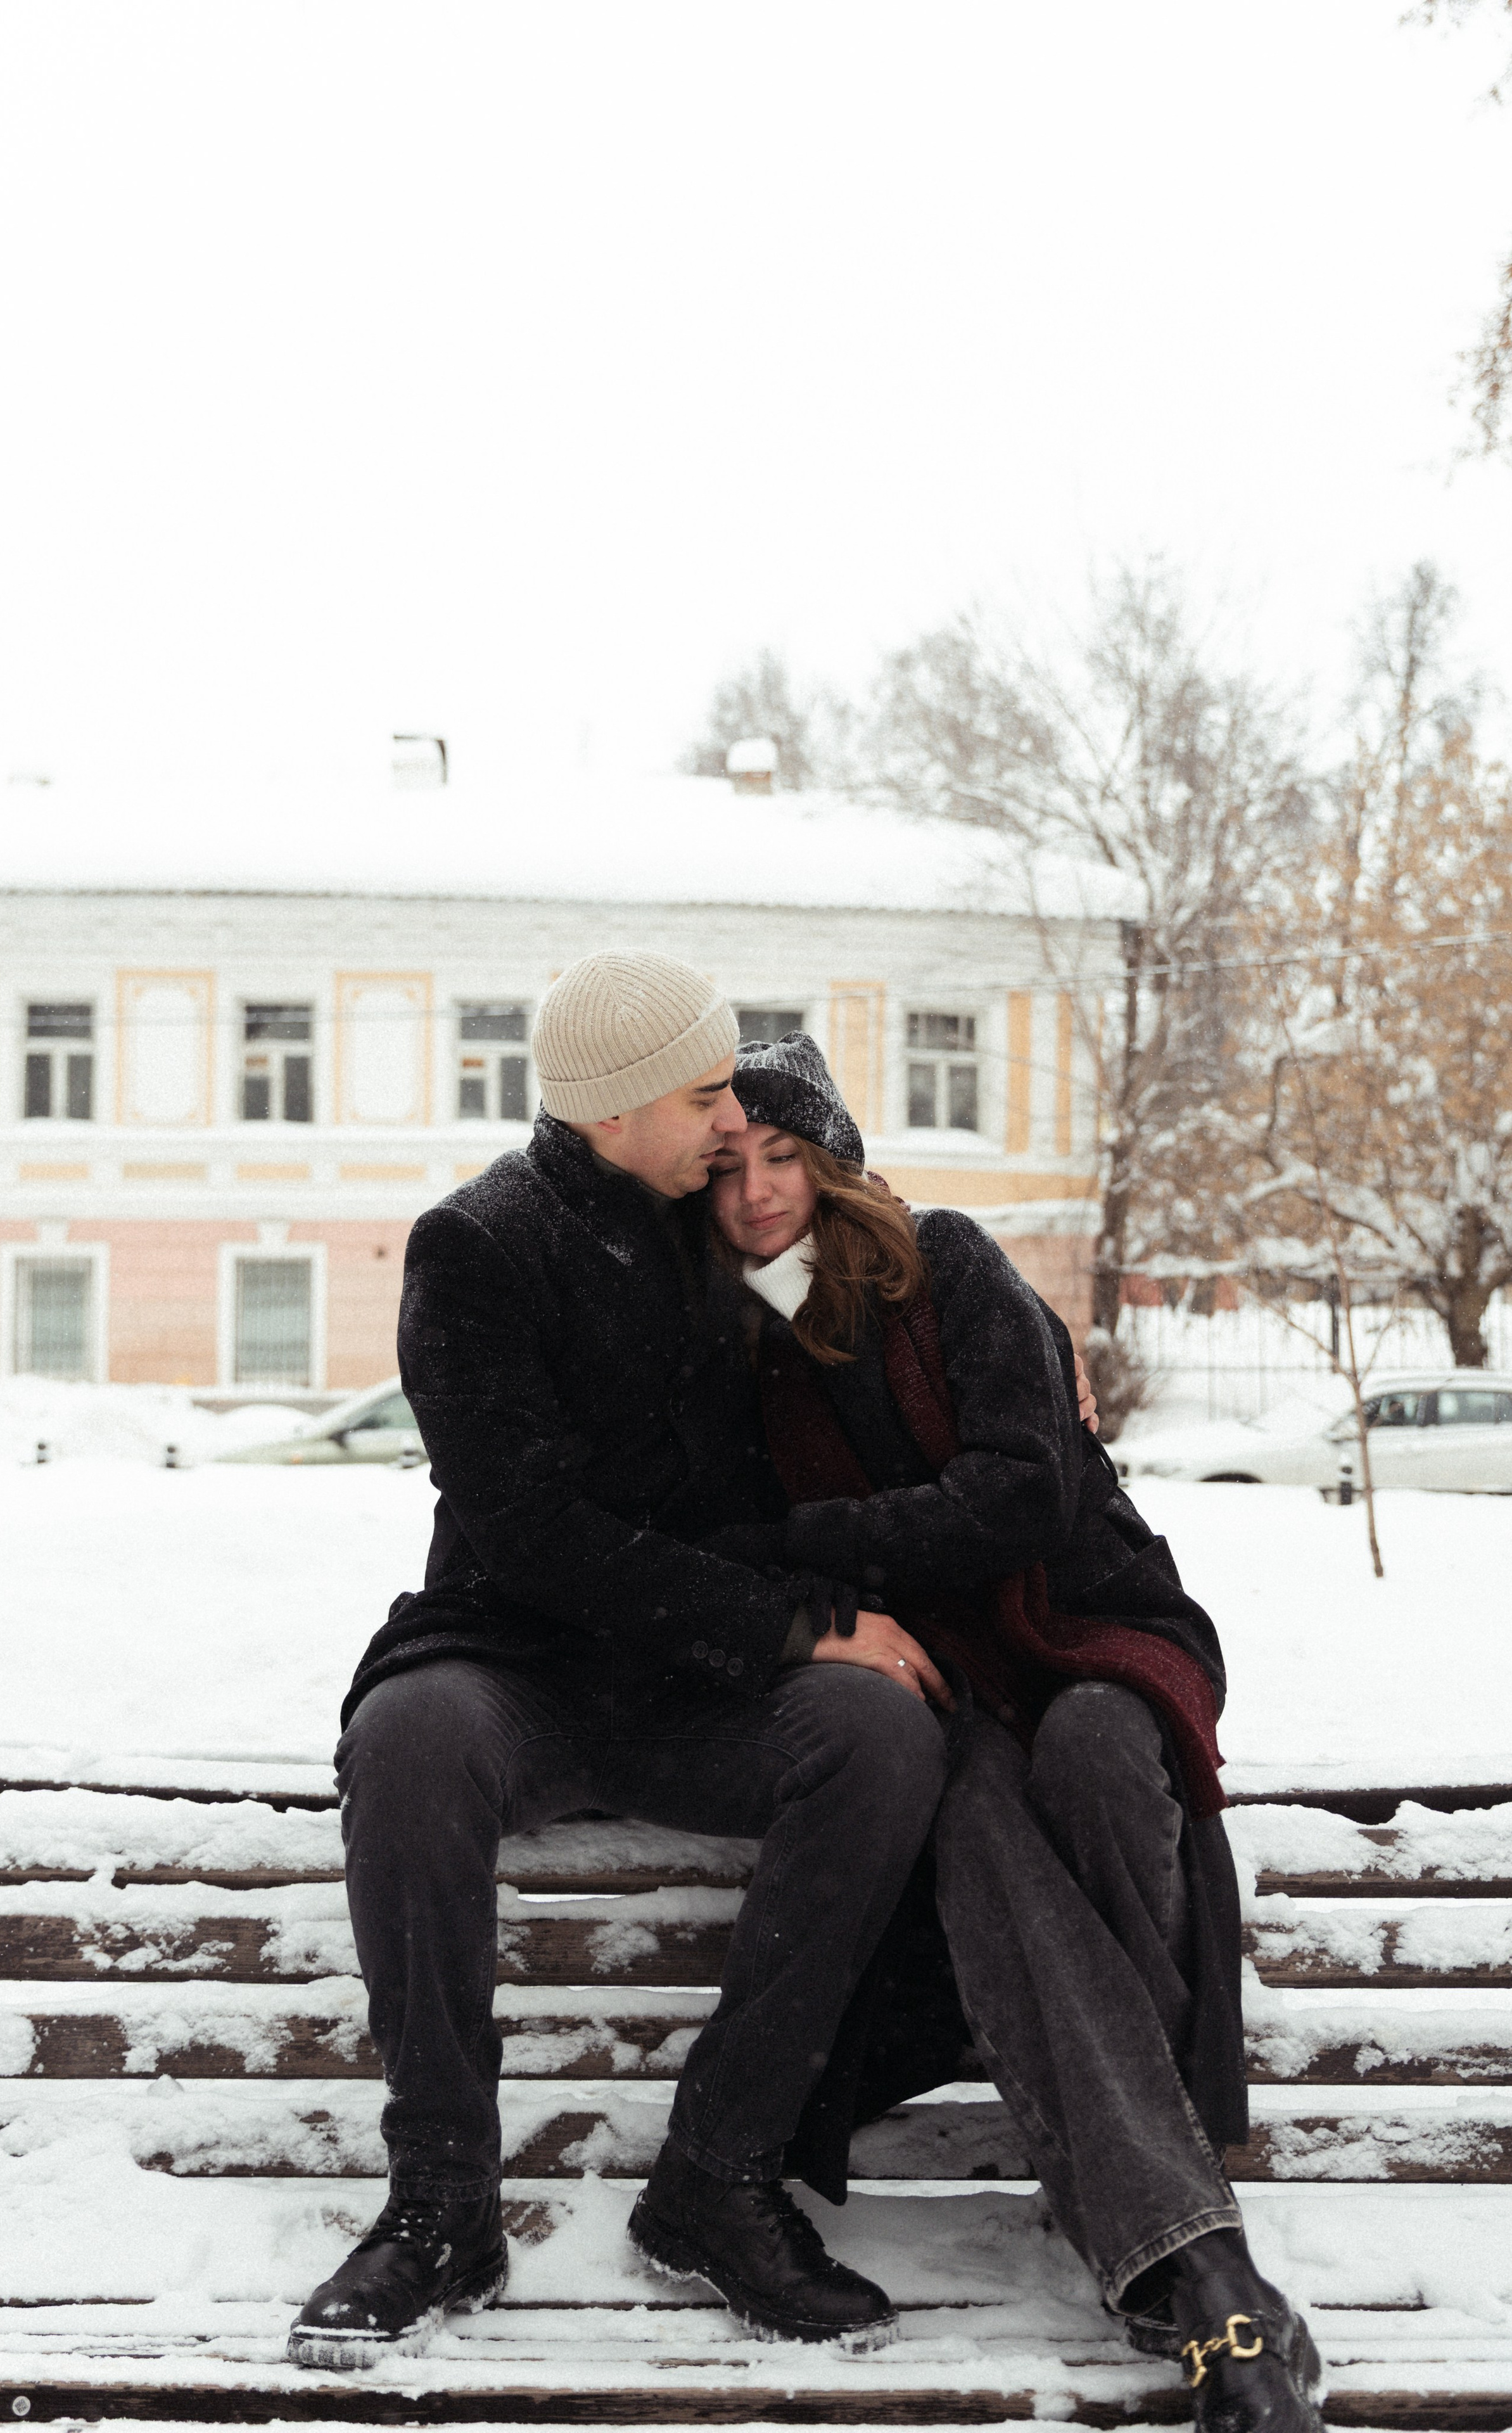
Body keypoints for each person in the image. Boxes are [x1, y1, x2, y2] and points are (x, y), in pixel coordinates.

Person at [287, 954, 955, 2368]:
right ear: (611, 1106)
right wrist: (794, 1622)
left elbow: (875, 1318)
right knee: (407, 1736)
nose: (733, 1121)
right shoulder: (474, 1245)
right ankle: (442, 2202)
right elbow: (530, 1534)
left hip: (696, 1690)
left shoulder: (723, 1232)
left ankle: (717, 2177)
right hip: (517, 1664)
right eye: (707, 1092)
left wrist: (1018, 1357)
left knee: (880, 1733)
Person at [701, 1031, 1321, 2433]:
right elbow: (741, 1554)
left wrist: (813, 1536)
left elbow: (1025, 1495)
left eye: (783, 1155)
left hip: (1091, 1626)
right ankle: (1200, 2268)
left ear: (836, 1158)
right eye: (727, 1167)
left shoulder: (950, 1266)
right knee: (975, 1807)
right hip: (939, 1678)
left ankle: (1147, 2202)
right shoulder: (732, 1350)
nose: (755, 1194)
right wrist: (832, 1567)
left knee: (1098, 1756)